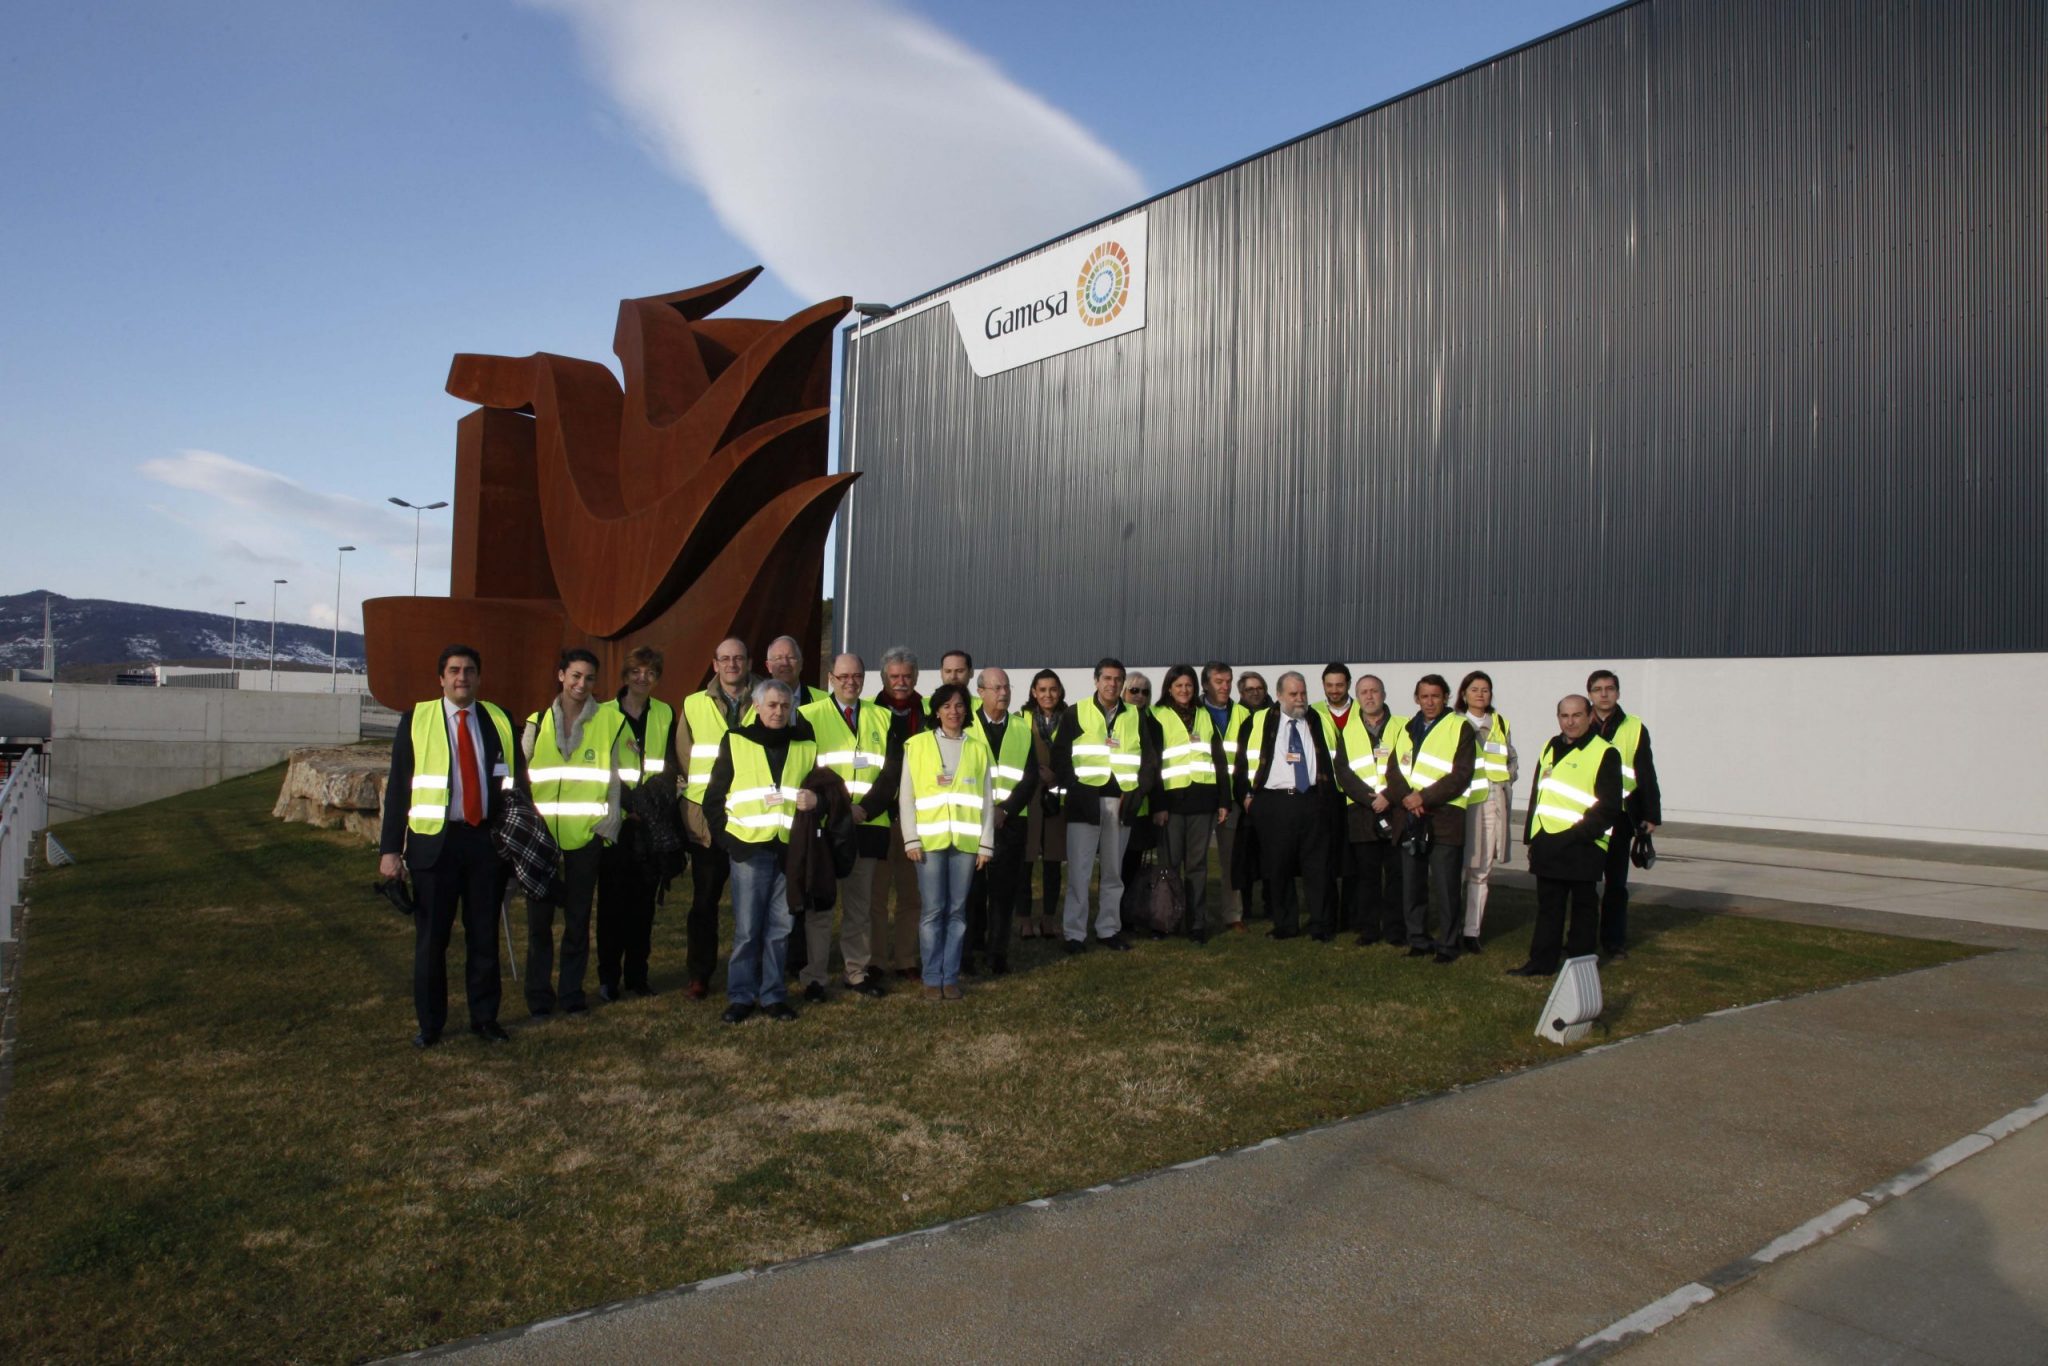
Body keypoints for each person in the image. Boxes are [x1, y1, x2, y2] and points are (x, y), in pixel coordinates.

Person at [378, 644, 527, 1048]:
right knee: (432, 941)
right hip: (434, 847)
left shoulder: (499, 719)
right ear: (441, 678)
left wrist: (517, 841)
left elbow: (517, 784)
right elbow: (398, 789)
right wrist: (390, 850)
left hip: (485, 844)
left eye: (470, 670)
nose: (463, 677)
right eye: (455, 670)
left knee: (484, 937)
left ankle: (485, 1018)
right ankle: (431, 1025)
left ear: (479, 677)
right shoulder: (417, 719)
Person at [703, 679, 818, 1023]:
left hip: (788, 851)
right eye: (772, 705)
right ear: (756, 707)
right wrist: (728, 841)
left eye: (785, 705)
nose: (778, 711)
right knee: (748, 930)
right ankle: (741, 996)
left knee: (780, 929)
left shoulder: (805, 745)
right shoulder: (736, 740)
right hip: (748, 850)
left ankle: (773, 995)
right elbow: (714, 798)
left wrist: (817, 800)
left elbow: (820, 791)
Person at [521, 648, 624, 1018]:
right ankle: (538, 996)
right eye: (576, 675)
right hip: (542, 839)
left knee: (578, 921)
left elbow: (615, 779)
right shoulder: (536, 722)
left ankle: (571, 994)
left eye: (590, 678)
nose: (582, 684)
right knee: (539, 923)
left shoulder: (610, 721)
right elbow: (520, 776)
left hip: (585, 836)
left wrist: (606, 826)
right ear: (561, 675)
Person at [798, 653, 902, 999]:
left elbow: (891, 774)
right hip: (826, 825)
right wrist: (841, 808)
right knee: (821, 906)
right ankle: (814, 977)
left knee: (860, 907)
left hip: (868, 825)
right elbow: (806, 773)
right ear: (830, 678)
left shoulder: (882, 716)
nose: (850, 682)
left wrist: (865, 809)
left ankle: (856, 972)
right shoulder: (809, 716)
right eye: (843, 676)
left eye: (856, 676)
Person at [1508, 694, 1622, 977]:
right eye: (1564, 716)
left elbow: (1608, 806)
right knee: (1549, 908)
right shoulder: (1550, 746)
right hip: (1547, 842)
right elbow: (1538, 794)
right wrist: (1532, 837)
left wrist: (1577, 834)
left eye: (1577, 715)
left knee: (1583, 909)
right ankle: (1541, 963)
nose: (1570, 722)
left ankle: (1580, 966)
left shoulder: (1605, 752)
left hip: (1583, 844)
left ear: (1589, 716)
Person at [677, 636, 760, 999]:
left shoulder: (765, 698)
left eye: (738, 658)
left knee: (752, 903)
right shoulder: (693, 704)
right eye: (724, 659)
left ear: (749, 662)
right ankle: (699, 974)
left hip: (751, 818)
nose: (731, 664)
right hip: (707, 822)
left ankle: (753, 971)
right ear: (715, 665)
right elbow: (684, 757)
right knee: (704, 902)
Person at [902, 683, 997, 1000]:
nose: (953, 711)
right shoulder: (916, 745)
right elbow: (906, 796)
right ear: (937, 711)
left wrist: (985, 844)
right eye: (946, 706)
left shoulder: (978, 749)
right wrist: (910, 838)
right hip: (928, 843)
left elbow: (987, 800)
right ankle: (932, 977)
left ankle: (950, 975)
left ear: (966, 710)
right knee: (933, 911)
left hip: (966, 844)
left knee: (957, 912)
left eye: (959, 705)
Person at [595, 646, 678, 1000]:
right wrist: (627, 804)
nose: (643, 678)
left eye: (650, 672)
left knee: (643, 906)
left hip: (651, 821)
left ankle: (637, 976)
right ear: (626, 675)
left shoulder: (665, 712)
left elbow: (670, 763)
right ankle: (608, 978)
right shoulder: (603, 713)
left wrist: (651, 804)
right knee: (612, 904)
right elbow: (600, 766)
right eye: (636, 671)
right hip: (618, 819)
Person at [1052, 657, 1147, 953]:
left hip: (1121, 803)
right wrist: (1075, 788)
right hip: (1084, 803)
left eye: (1118, 679)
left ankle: (1108, 929)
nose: (1112, 684)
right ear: (1096, 680)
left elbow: (1150, 759)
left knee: (1113, 873)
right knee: (1079, 873)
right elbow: (1060, 755)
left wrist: (1136, 793)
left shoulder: (1136, 715)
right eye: (1107, 678)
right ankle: (1074, 934)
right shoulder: (1075, 712)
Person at [1235, 671, 1336, 940]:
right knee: (1278, 867)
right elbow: (1240, 762)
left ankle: (1321, 924)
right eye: (1293, 694)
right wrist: (1246, 797)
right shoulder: (1257, 721)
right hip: (1274, 802)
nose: (1300, 699)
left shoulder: (1319, 720)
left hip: (1312, 799)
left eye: (1303, 693)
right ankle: (1285, 924)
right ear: (1279, 695)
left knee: (1317, 866)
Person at [1385, 674, 1477, 963]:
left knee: (1446, 887)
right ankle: (1418, 939)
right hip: (1410, 817)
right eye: (1424, 696)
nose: (1429, 702)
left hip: (1444, 817)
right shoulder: (1407, 728)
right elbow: (1392, 771)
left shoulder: (1460, 727)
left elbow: (1461, 775)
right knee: (1412, 884)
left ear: (1446, 697)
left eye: (1435, 696)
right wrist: (1407, 798)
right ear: (1417, 698)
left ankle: (1448, 944)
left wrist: (1423, 797)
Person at [963, 666, 1037, 974]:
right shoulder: (965, 726)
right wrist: (985, 812)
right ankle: (969, 951)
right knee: (971, 892)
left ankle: (997, 954)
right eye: (997, 688)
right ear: (980, 692)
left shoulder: (1021, 727)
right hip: (972, 822)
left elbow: (1030, 776)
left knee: (1003, 892)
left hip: (1011, 822)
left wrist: (1005, 810)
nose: (1003, 693)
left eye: (1006, 687)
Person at [1150, 664, 1230, 942]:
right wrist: (1158, 805)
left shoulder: (1205, 715)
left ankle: (1196, 924)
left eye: (1188, 685)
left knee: (1197, 866)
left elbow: (1219, 760)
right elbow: (1153, 763)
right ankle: (1166, 921)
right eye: (1178, 685)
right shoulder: (1157, 715)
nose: (1184, 690)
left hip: (1203, 801)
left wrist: (1224, 800)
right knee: (1169, 865)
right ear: (1169, 688)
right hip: (1171, 803)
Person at [1588, 669, 1663, 960]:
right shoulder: (1580, 722)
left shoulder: (1634, 727)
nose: (1604, 694)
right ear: (1590, 694)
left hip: (1620, 816)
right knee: (1584, 882)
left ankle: (1613, 942)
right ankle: (1582, 940)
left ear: (1618, 693)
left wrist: (1651, 815)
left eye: (1609, 688)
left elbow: (1646, 772)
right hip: (1587, 814)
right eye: (1598, 689)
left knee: (1616, 884)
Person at [1331, 674, 1408, 945]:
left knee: (1397, 875)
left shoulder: (1403, 726)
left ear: (1384, 694)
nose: (1369, 696)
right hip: (1362, 813)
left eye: (1374, 690)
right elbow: (1343, 772)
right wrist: (1370, 799)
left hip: (1396, 810)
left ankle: (1395, 929)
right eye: (1363, 692)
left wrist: (1388, 796)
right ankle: (1369, 929)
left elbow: (1408, 765)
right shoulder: (1348, 730)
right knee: (1367, 876)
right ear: (1357, 697)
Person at [872, 646, 926, 976]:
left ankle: (906, 959)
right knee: (875, 898)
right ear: (884, 678)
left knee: (912, 896)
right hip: (879, 816)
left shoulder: (929, 711)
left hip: (917, 818)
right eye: (894, 676)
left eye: (907, 676)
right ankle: (876, 960)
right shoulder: (871, 712)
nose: (901, 682)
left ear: (916, 677)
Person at [1455, 669, 1517, 955]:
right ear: (1464, 693)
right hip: (1461, 803)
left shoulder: (1500, 723)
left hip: (1491, 804)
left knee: (1481, 871)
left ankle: (1472, 931)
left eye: (1485, 689)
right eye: (1475, 689)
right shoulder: (1455, 722)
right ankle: (1451, 926)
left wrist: (1507, 777)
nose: (1480, 694)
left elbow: (1511, 758)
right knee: (1457, 868)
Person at [1018, 668, 1068, 940]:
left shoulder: (1071, 718)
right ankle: (1025, 919)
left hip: (1057, 798)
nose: (1048, 695)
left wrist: (1057, 776)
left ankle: (1048, 919)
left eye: (1053, 689)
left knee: (1052, 862)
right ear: (1033, 693)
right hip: (1029, 797)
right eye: (1042, 690)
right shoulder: (1021, 719)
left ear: (1060, 691)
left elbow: (1078, 756)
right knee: (1025, 862)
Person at [1201, 662, 1251, 928]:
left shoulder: (1243, 714)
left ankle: (1233, 914)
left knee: (1230, 858)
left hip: (1231, 796)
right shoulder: (1193, 712)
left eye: (1228, 681)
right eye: (1218, 681)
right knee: (1196, 860)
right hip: (1200, 792)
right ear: (1205, 684)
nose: (1225, 686)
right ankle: (1191, 913)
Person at [1310, 662, 1357, 929]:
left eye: (1339, 685)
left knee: (1354, 858)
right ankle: (1326, 915)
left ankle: (1351, 916)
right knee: (1324, 858)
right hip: (1325, 795)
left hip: (1356, 795)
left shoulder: (1361, 710)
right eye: (1329, 685)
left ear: (1348, 684)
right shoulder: (1313, 711)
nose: (1335, 690)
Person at [1229, 670, 1275, 923]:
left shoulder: (1277, 716)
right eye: (1249, 689)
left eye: (1259, 688)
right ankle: (1244, 908)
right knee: (1244, 857)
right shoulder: (1237, 716)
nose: (1255, 693)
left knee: (1271, 855)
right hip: (1244, 797)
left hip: (1271, 797)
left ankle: (1271, 905)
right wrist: (1243, 794)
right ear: (1241, 693)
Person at [764, 635, 821, 708]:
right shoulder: (759, 703)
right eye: (778, 658)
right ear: (769, 666)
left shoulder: (824, 700)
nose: (785, 663)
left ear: (801, 663)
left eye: (791, 657)